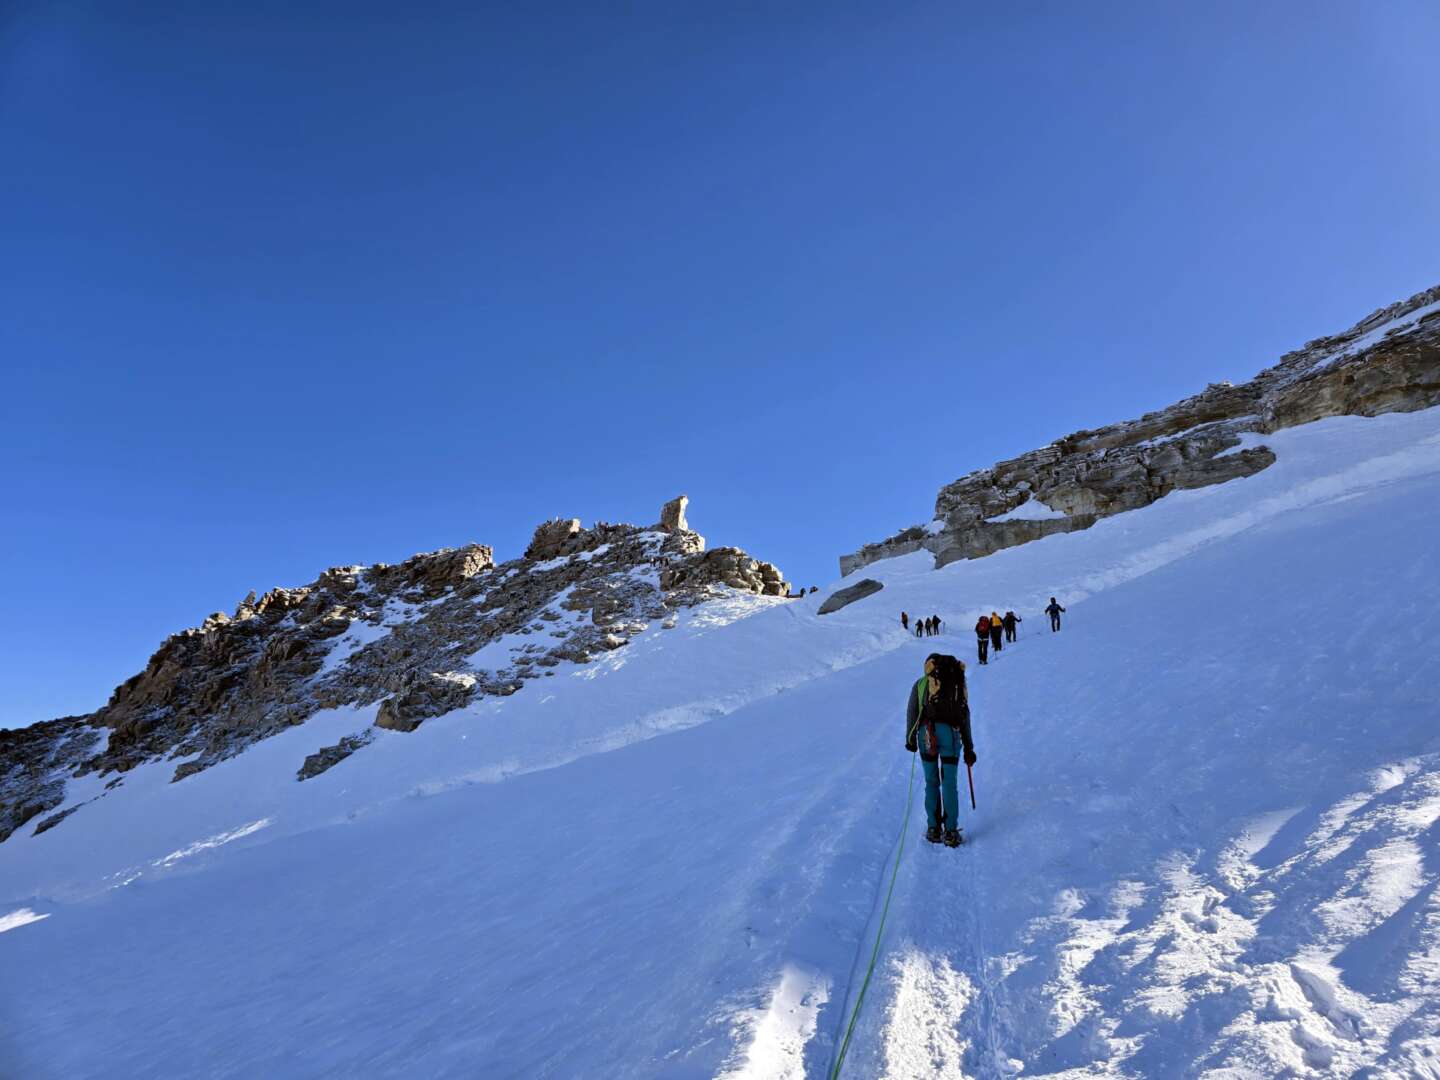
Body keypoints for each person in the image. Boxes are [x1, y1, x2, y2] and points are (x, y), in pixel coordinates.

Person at [905, 653, 977, 846]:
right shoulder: (958, 683)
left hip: (926, 735)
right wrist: (969, 747)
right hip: (951, 735)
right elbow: (964, 715)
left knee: (931, 781)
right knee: (949, 782)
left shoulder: (921, 684)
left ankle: (933, 828)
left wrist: (910, 739)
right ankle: (951, 831)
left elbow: (912, 712)